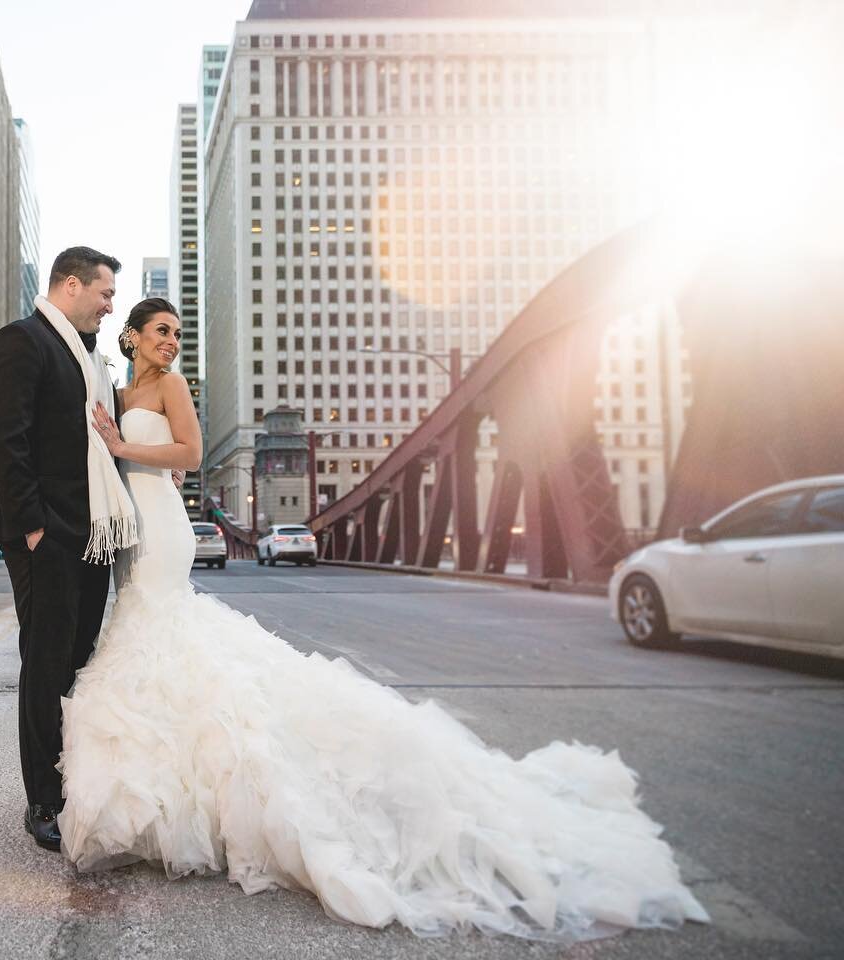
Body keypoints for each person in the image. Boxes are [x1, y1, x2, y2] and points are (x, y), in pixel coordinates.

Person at [56, 297, 711, 940]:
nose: (172, 341)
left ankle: (184, 797)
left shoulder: (171, 385)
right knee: (151, 642)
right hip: (131, 528)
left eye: (177, 332)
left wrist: (124, 447)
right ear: (133, 337)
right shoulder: (117, 390)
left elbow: (193, 456)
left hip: (164, 532)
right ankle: (169, 788)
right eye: (161, 331)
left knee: (163, 630)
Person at [0, 246, 136, 851]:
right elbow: (5, 440)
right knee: (45, 664)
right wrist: (33, 526)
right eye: (105, 293)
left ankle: (73, 780)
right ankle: (42, 799)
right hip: (48, 535)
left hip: (92, 533)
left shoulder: (91, 362)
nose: (110, 306)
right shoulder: (23, 342)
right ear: (71, 284)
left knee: (78, 660)